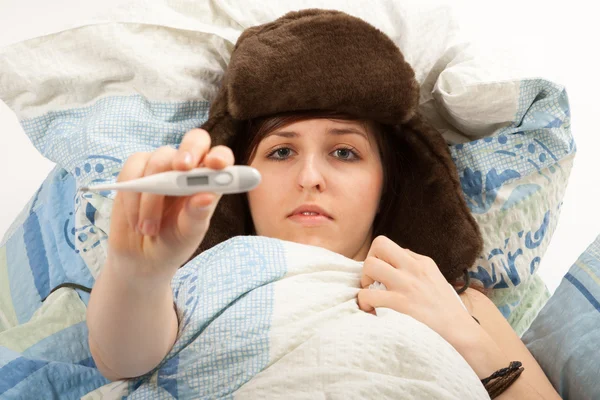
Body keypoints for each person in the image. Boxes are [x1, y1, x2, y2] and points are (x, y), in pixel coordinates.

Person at [86, 9, 562, 399]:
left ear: (385, 188)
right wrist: (136, 273)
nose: (310, 177)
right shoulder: (201, 274)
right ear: (241, 185)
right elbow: (125, 361)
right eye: (281, 152)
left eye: (344, 152)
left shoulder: (454, 298)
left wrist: (468, 342)